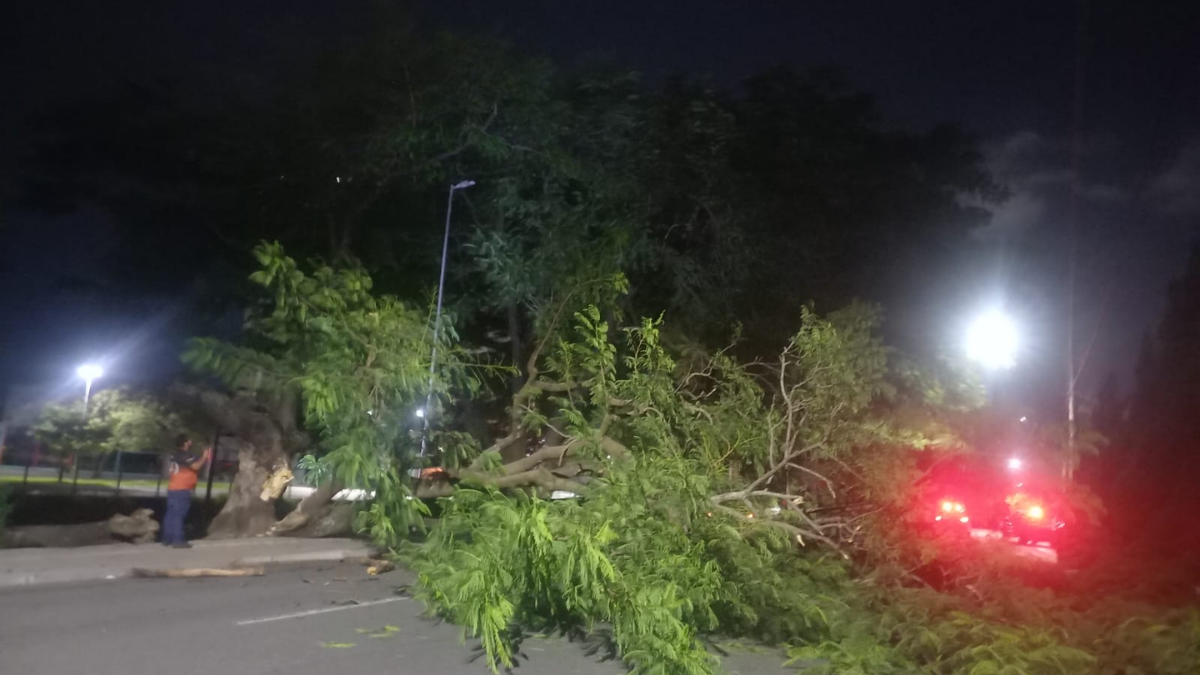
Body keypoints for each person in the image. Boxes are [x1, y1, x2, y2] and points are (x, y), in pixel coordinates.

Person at [162, 434, 211, 549]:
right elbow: (195, 466)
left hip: (173, 488)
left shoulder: (175, 454)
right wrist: (204, 457)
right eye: (189, 440)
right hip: (182, 488)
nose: (191, 442)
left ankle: (167, 538)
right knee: (179, 514)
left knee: (171, 514)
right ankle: (178, 540)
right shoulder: (185, 454)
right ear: (185, 442)